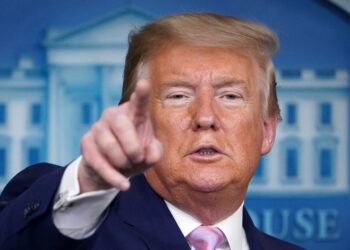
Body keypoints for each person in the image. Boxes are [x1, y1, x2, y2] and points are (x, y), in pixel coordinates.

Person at [0, 13, 304, 250]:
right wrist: (88, 181)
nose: (206, 117)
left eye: (230, 96)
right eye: (178, 96)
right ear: (134, 123)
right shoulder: (76, 233)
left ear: (267, 130)